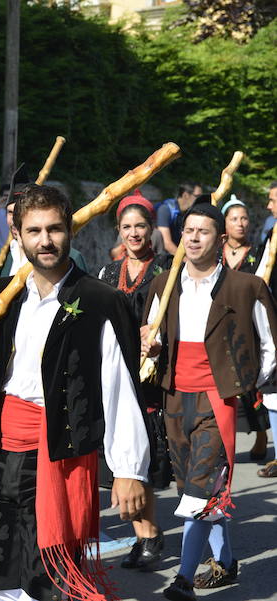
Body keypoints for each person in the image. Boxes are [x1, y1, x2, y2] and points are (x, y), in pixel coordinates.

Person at [0, 184, 149, 601]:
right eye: (34, 230)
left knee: (49, 579)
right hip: (0, 451)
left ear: (70, 231)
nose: (45, 240)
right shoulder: (6, 297)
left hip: (60, 453)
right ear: (17, 236)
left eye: (54, 229)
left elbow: (118, 388)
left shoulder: (99, 300)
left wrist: (128, 470)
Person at [142, 203, 277, 600]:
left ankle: (183, 579)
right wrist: (149, 346)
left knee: (199, 490)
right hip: (174, 399)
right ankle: (226, 562)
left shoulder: (246, 286)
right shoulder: (165, 284)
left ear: (219, 240)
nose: (194, 237)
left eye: (203, 231)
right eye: (188, 230)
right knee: (198, 489)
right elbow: (152, 338)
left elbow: (270, 345)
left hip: (216, 401)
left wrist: (250, 384)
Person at [98, 195, 172, 571]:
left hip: (150, 376)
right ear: (118, 231)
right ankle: (147, 533)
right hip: (115, 371)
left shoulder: (167, 270)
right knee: (120, 454)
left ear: (151, 229)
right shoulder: (108, 273)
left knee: (138, 454)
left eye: (140, 226)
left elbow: (177, 321)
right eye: (126, 227)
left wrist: (157, 342)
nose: (133, 233)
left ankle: (149, 534)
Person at [218, 197, 270, 460]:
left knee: (251, 385)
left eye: (244, 218)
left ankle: (261, 434)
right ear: (224, 224)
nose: (240, 223)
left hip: (249, 325)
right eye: (234, 218)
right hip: (219, 325)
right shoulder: (216, 253)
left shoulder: (260, 254)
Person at [156, 182, 201, 255]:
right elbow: (167, 243)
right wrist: (185, 260)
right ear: (185, 195)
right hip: (165, 258)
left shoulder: (189, 212)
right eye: (197, 196)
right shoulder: (165, 210)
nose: (200, 199)